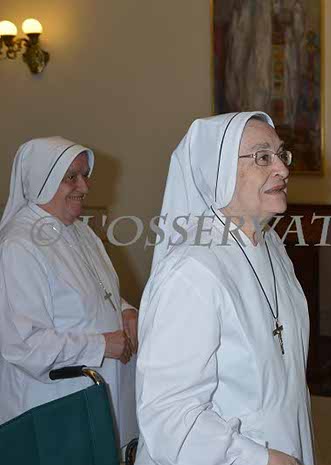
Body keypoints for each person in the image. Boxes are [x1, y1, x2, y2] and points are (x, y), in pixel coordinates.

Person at [135, 112, 314, 465]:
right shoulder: (191, 271)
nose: (282, 168)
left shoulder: (270, 245)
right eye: (262, 157)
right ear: (217, 173)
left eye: (281, 154)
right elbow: (169, 415)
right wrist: (258, 459)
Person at [0, 136, 139, 451]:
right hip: (54, 408)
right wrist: (102, 344)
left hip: (94, 398)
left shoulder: (79, 230)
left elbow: (94, 291)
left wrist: (125, 310)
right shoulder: (19, 246)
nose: (84, 186)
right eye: (71, 177)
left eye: (85, 175)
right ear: (42, 179)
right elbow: (23, 345)